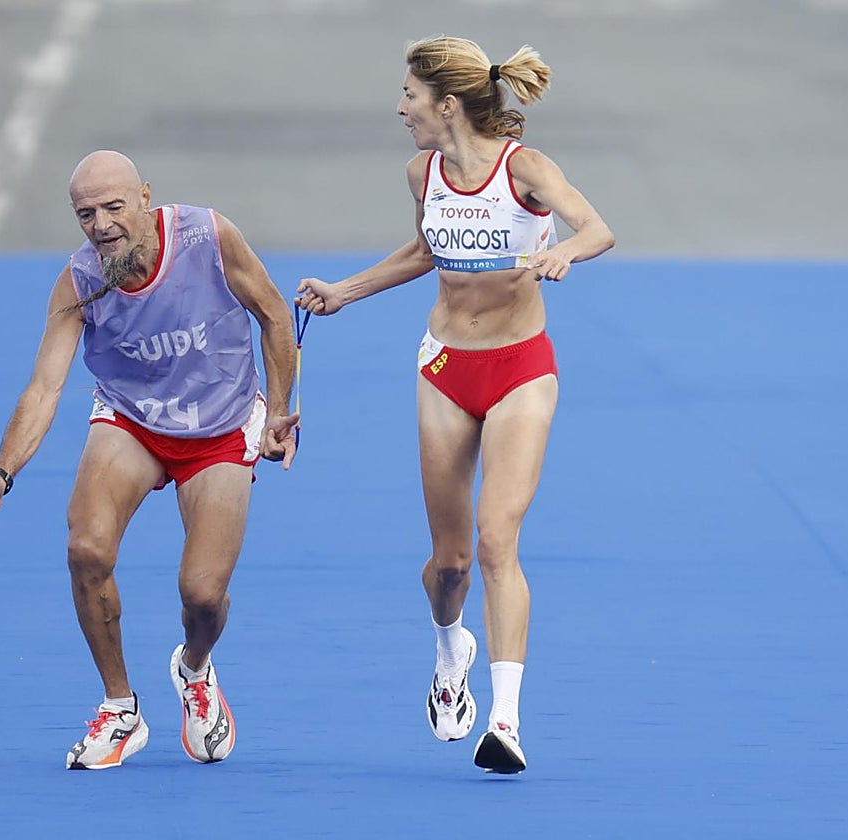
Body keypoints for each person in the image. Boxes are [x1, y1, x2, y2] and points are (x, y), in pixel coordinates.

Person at [296, 37, 614, 774]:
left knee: (498, 539)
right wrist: (345, 291)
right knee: (451, 563)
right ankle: (450, 649)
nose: (399, 108)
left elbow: (598, 228)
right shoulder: (423, 173)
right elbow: (422, 253)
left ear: (447, 105)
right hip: (444, 369)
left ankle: (505, 722)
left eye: (409, 95)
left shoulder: (524, 170)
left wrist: (565, 252)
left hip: (520, 369)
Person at [0, 150, 298, 770]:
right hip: (132, 420)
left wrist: (277, 413)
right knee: (86, 549)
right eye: (86, 214)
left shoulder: (208, 236)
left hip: (221, 425)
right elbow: (45, 387)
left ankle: (194, 668)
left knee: (202, 594)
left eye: (113, 207)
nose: (102, 225)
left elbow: (273, 315)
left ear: (145, 197)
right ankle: (119, 708)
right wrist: (3, 474)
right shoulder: (79, 281)